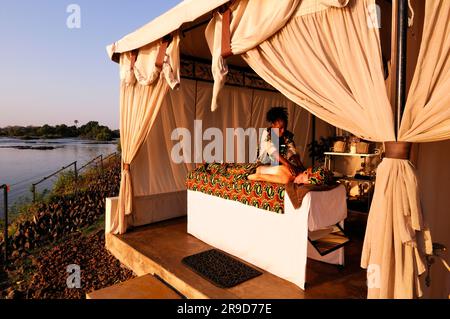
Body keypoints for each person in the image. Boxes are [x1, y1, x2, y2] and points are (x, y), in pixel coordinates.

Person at [248, 107, 305, 184]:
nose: (283, 130)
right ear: (273, 125)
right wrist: (288, 164)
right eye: (280, 128)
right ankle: (257, 174)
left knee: (292, 171)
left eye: (285, 127)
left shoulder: (286, 135)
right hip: (263, 165)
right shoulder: (267, 133)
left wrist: (300, 166)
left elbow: (291, 151)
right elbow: (272, 151)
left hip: (277, 166)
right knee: (285, 170)